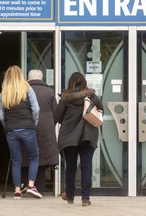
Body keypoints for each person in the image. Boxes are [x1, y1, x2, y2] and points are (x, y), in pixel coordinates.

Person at [54, 72, 104, 206]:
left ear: (70, 83)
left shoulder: (66, 99)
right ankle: (85, 198)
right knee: (86, 167)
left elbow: (57, 117)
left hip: (69, 137)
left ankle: (70, 196)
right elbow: (100, 112)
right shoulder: (92, 96)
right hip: (87, 137)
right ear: (84, 83)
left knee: (70, 167)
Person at [0, 65, 42, 199]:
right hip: (27, 127)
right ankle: (30, 185)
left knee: (16, 160)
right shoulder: (27, 88)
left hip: (11, 130)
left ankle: (17, 190)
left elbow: (1, 115)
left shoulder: (3, 93)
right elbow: (36, 108)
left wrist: (8, 127)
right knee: (33, 156)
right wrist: (33, 122)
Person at [21, 69, 59, 195]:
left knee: (25, 156)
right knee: (42, 159)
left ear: (28, 78)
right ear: (42, 79)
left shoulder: (23, 91)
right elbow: (56, 113)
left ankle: (25, 185)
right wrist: (49, 125)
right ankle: (40, 188)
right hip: (45, 129)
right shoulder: (49, 91)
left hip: (27, 126)